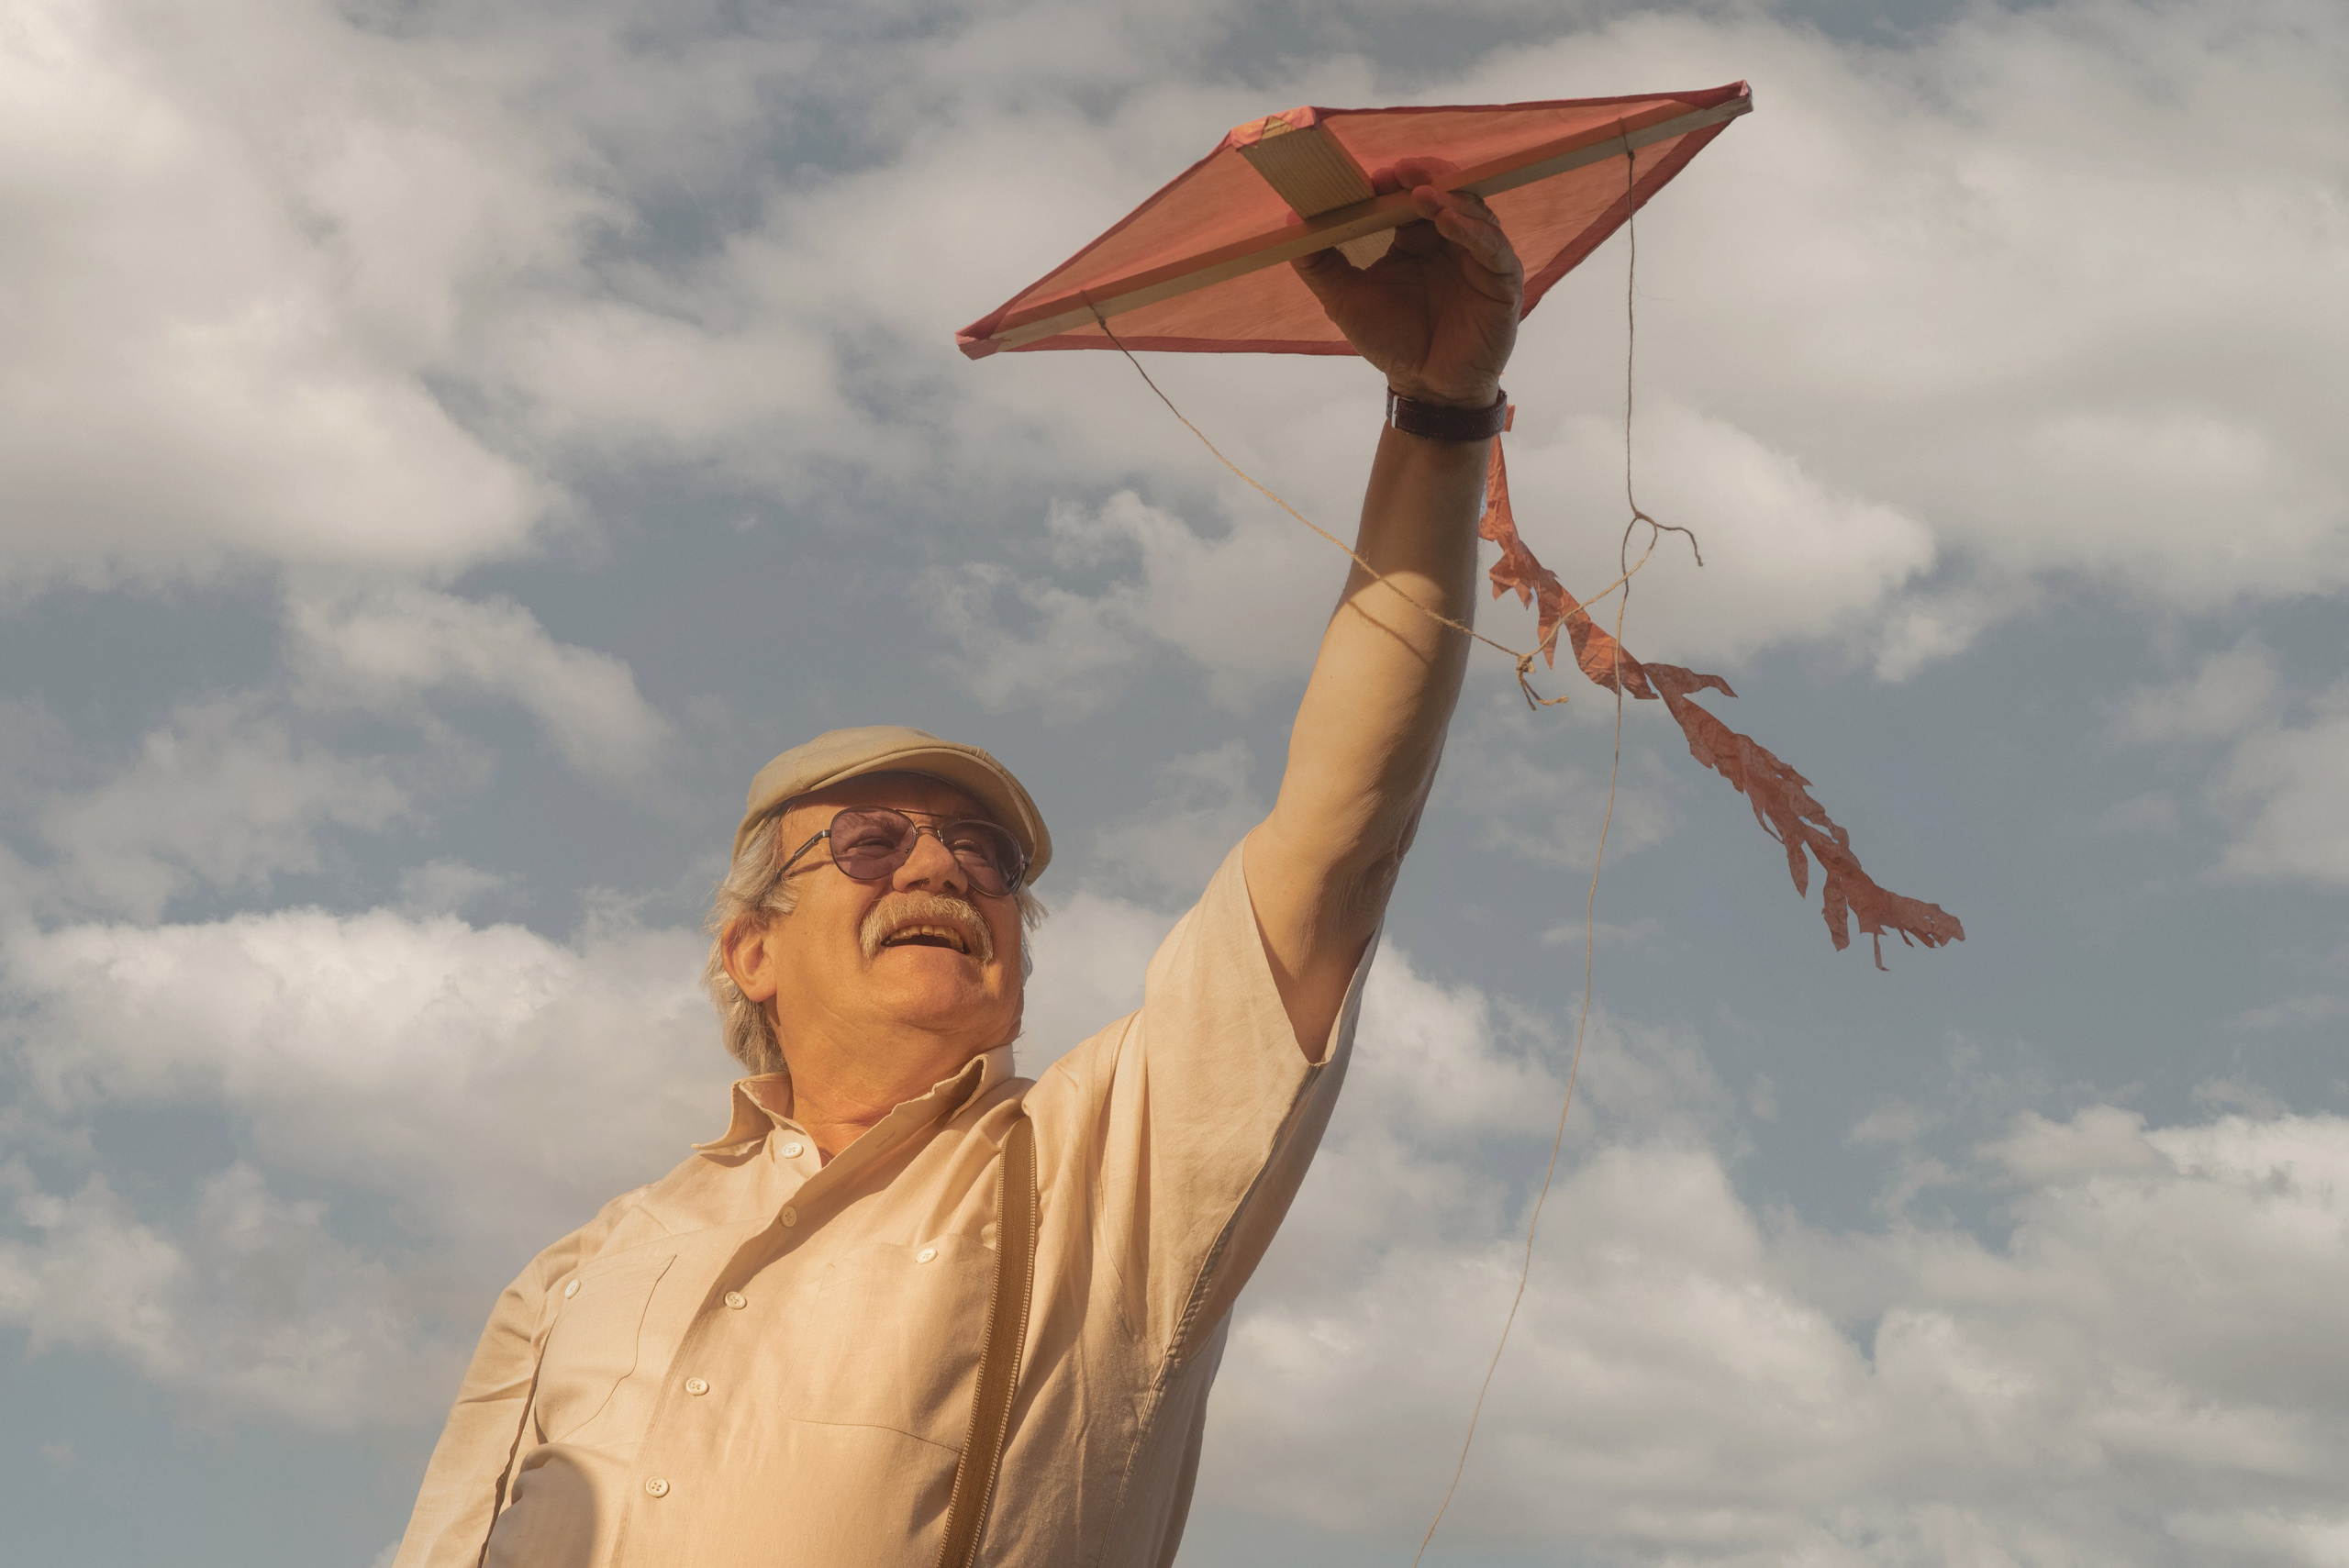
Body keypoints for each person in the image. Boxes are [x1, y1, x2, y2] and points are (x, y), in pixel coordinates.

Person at [394, 163, 1522, 1568]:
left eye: (983, 852)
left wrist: (1440, 417)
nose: (941, 863)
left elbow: (1334, 850)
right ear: (752, 946)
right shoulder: (577, 1269)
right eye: (872, 840)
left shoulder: (1101, 1170)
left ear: (1022, 950)